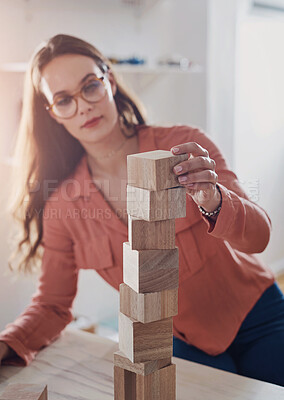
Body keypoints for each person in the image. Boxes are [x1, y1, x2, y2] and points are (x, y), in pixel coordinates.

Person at [0, 34, 283, 387]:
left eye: (90, 86)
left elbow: (261, 236)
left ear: (110, 82)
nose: (84, 106)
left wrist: (213, 199)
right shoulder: (62, 206)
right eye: (63, 100)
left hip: (258, 314)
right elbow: (52, 306)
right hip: (174, 339)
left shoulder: (182, 147)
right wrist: (7, 343)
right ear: (53, 113)